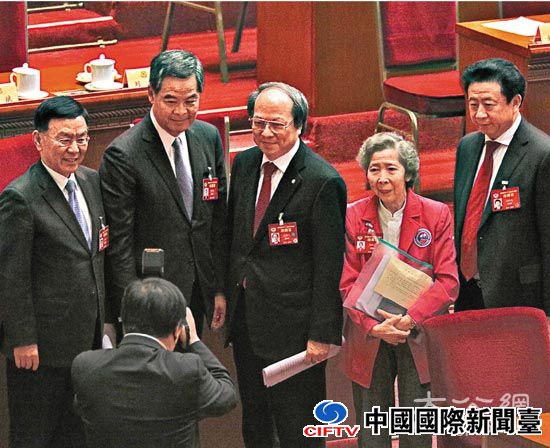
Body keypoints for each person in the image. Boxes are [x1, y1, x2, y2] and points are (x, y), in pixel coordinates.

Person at [226, 82, 347, 447]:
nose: (266, 132)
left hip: (295, 331)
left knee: (298, 427)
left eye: (276, 124)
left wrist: (322, 333)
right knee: (256, 422)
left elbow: (329, 266)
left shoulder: (322, 181)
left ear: (299, 125)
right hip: (248, 319)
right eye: (258, 122)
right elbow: (238, 239)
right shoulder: (244, 164)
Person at [339, 133, 459, 448]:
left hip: (417, 332)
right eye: (374, 169)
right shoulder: (353, 215)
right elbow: (347, 282)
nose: (382, 178)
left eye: (391, 169)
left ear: (408, 172)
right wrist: (373, 326)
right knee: (372, 433)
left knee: (417, 433)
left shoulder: (436, 214)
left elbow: (448, 281)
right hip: (369, 334)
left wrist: (409, 319)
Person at [0, 96, 106, 447]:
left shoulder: (91, 182)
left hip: (86, 344)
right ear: (38, 140)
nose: (75, 149)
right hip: (40, 351)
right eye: (64, 139)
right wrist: (22, 338)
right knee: (33, 437)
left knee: (76, 436)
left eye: (82, 138)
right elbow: (11, 277)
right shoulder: (20, 197)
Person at [99, 49, 228, 337]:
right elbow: (119, 245)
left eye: (190, 100)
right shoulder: (123, 155)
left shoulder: (208, 137)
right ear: (151, 94)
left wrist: (218, 287)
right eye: (170, 100)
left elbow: (217, 221)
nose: (181, 111)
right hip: (150, 299)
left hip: (198, 288)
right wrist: (133, 310)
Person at [71, 277, 237, 448]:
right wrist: (193, 340)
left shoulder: (86, 367)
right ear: (177, 330)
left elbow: (82, 405)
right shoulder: (186, 371)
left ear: (124, 321)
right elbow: (227, 395)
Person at [454, 58, 550, 316]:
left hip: (517, 296)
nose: (479, 114)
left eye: (488, 104)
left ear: (515, 102)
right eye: (473, 104)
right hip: (468, 290)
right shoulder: (467, 147)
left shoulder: (542, 155)